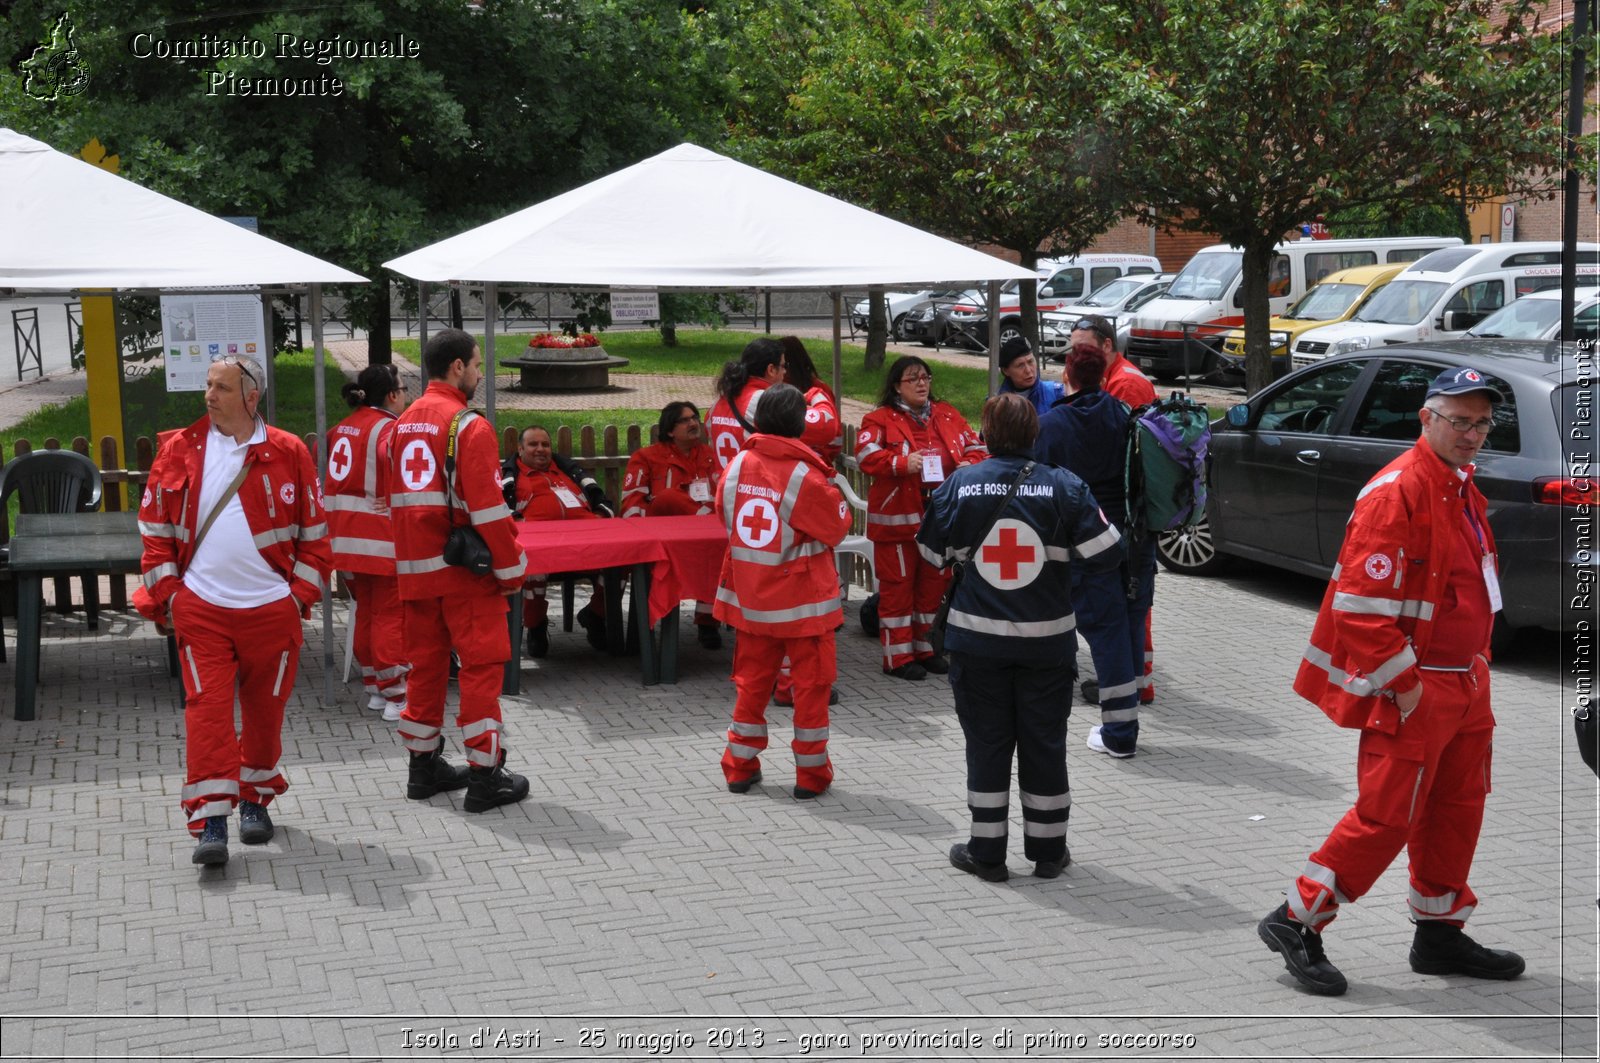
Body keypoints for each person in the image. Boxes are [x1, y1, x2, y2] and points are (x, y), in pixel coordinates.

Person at [1257, 366, 1524, 996]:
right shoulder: (1396, 492)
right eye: (1460, 420)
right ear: (1426, 418)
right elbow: (1359, 609)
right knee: (1387, 816)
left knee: (1458, 809)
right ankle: (1297, 920)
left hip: (1465, 683)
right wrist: (1407, 688)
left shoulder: (1459, 486)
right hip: (1419, 688)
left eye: (1483, 422)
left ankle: (1439, 933)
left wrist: (1475, 668)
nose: (1473, 433)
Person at [134, 353, 333, 867]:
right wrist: (174, 596)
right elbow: (153, 533)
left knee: (265, 714)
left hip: (273, 613)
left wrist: (297, 600)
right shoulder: (180, 448)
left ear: (251, 396)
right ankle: (211, 821)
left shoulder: (289, 451)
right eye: (207, 385)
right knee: (208, 714)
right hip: (202, 610)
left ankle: (254, 800)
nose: (208, 396)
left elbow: (316, 540)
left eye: (220, 387)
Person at [918, 393, 1121, 882]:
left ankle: (986, 853)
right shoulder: (1065, 487)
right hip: (1046, 647)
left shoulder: (959, 483)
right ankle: (1049, 852)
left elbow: (928, 552)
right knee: (1044, 744)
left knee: (986, 744)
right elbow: (1109, 553)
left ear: (985, 435)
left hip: (976, 646)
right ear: (1035, 435)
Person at [390, 327, 530, 814]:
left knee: (425, 671)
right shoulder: (469, 425)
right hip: (463, 576)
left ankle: (422, 767)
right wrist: (512, 570)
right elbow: (490, 512)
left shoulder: (399, 424)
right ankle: (485, 776)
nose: (478, 374)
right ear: (456, 367)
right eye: (476, 365)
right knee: (480, 671)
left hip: (414, 573)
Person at [713, 383, 852, 799]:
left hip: (752, 603)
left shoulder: (737, 465)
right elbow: (837, 528)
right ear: (799, 425)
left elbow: (726, 515)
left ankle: (739, 767)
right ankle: (811, 777)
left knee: (751, 686)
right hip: (803, 606)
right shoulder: (803, 475)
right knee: (811, 690)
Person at [1035, 342, 1154, 759]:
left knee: (1105, 634)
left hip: (1088, 544)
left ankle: (1121, 734)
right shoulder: (1125, 416)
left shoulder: (1050, 425)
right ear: (1104, 376)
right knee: (1130, 626)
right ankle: (1129, 712)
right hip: (1135, 540)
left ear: (1067, 376)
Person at [855, 355, 986, 680]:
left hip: (939, 521)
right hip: (897, 523)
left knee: (932, 589)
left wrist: (969, 464)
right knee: (898, 591)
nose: (922, 383)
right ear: (897, 386)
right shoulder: (879, 419)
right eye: (913, 378)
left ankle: (926, 648)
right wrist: (902, 463)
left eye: (925, 377)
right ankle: (897, 659)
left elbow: (977, 446)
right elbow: (865, 455)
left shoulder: (948, 414)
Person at [1068, 311, 1158, 705]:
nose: (1075, 356)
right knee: (1130, 604)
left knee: (1132, 606)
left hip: (1125, 520)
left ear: (1107, 346)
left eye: (1082, 349)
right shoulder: (1114, 379)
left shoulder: (1126, 386)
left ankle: (1138, 683)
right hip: (1125, 517)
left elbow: (1115, 453)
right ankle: (1134, 680)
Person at [325, 363, 410, 722]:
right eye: (403, 388)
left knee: (366, 612)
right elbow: (406, 483)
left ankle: (375, 687)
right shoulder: (390, 430)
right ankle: (396, 694)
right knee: (390, 615)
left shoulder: (340, 428)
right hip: (380, 539)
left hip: (344, 540)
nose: (405, 394)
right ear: (391, 395)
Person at [501, 425, 614, 658]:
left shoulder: (570, 473)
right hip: (541, 548)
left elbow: (601, 502)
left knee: (621, 562)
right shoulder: (510, 480)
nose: (541, 449)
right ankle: (535, 625)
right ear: (520, 449)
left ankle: (595, 615)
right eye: (533, 445)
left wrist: (600, 517)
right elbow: (503, 514)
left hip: (586, 544)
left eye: (545, 445)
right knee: (531, 567)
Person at [621, 400, 723, 648]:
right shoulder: (646, 457)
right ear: (669, 430)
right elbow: (632, 504)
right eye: (685, 420)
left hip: (701, 536)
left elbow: (722, 495)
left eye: (695, 418)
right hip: (660, 534)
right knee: (668, 496)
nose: (693, 423)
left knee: (717, 551)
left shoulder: (709, 456)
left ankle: (708, 621)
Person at [707, 337, 785, 473]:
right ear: (771, 369)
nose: (785, 372)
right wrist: (818, 396)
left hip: (724, 488)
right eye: (784, 366)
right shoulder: (766, 401)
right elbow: (823, 430)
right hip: (754, 488)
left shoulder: (719, 402)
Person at [778, 335, 843, 466]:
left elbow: (835, 437)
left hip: (814, 464)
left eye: (782, 365)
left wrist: (813, 455)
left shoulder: (819, 389)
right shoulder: (773, 386)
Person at [995, 335, 1063, 415]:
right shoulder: (997, 402)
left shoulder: (1057, 393)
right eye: (1020, 365)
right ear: (1006, 371)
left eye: (1030, 362)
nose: (1028, 370)